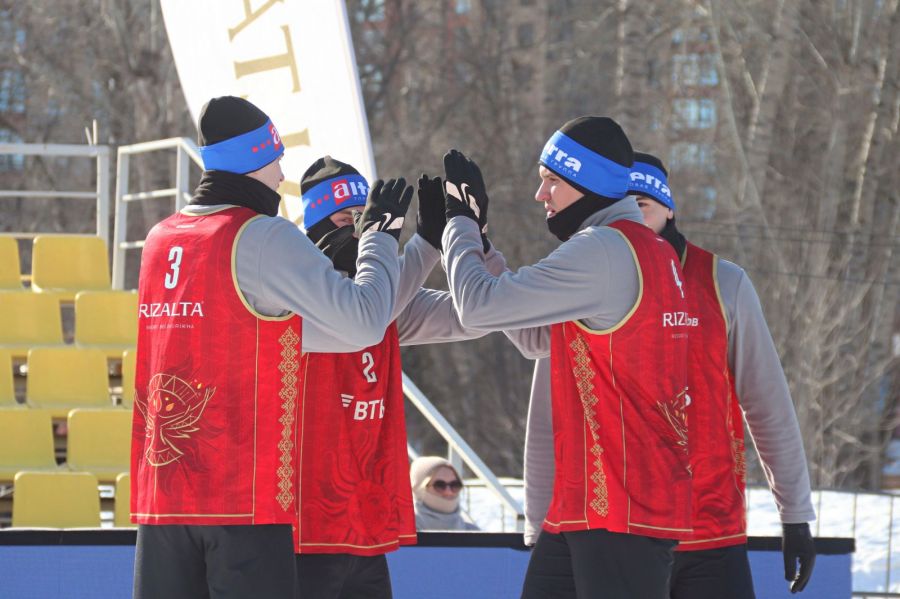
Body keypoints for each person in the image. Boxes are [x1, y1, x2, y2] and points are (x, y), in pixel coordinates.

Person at [130, 96, 411, 599]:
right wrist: (380, 239)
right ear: (257, 158)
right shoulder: (261, 235)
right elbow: (364, 322)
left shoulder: (160, 239)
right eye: (278, 159)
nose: (282, 176)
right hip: (243, 499)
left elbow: (261, 333)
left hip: (164, 498)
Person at [521, 152, 818, 598]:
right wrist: (538, 518)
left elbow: (767, 402)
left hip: (708, 530)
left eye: (641, 205)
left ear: (669, 209)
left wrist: (794, 513)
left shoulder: (723, 282)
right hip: (610, 527)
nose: (630, 216)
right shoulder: (582, 277)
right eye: (620, 204)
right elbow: (551, 411)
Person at [440, 116, 694, 599]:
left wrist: (459, 224)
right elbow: (536, 337)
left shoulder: (603, 249)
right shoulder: (646, 248)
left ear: (588, 182)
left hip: (621, 509)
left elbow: (478, 307)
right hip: (590, 504)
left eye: (552, 180)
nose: (541, 195)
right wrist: (483, 244)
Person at [292, 157, 502, 599]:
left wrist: (463, 235)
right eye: (346, 219)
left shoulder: (389, 294)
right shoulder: (296, 286)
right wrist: (420, 248)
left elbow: (472, 317)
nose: (360, 231)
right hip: (305, 523)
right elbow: (363, 315)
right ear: (315, 223)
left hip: (365, 521)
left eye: (365, 218)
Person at [409, 456, 479, 531]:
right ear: (417, 489)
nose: (448, 492)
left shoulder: (474, 532)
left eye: (455, 485)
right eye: (439, 485)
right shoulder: (403, 533)